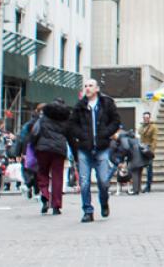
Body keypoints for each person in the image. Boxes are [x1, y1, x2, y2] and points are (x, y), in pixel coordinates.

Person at [67, 78, 121, 223]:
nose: (88, 88)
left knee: (103, 181)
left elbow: (116, 121)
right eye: (85, 86)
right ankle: (87, 211)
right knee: (84, 182)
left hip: (102, 147)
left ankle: (104, 202)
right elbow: (72, 125)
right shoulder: (79, 106)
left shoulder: (106, 104)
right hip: (84, 149)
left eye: (90, 86)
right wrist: (82, 136)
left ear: (97, 88)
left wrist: (105, 133)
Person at [31, 98, 71, 215]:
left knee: (42, 173)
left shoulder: (43, 119)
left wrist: (32, 146)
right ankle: (56, 206)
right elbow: (71, 138)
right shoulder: (66, 120)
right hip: (59, 150)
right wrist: (76, 154)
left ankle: (44, 194)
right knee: (57, 176)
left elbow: (35, 132)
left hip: (43, 149)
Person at [138, 112, 158, 193]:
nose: (145, 119)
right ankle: (138, 185)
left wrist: (152, 150)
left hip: (149, 149)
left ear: (149, 118)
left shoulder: (153, 127)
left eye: (147, 117)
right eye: (144, 117)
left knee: (149, 168)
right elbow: (139, 135)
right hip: (141, 148)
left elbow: (155, 139)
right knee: (139, 167)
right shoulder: (141, 126)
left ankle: (148, 186)